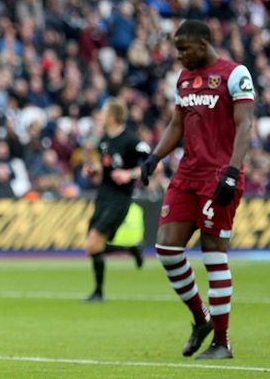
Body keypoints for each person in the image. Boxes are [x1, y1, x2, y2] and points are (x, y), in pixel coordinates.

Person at [141, 19, 255, 359]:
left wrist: (233, 171)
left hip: (219, 175)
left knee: (213, 254)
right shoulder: (184, 79)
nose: (179, 57)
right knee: (166, 249)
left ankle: (222, 342)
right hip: (187, 174)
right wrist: (155, 156)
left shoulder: (235, 74)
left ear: (203, 45)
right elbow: (178, 123)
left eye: (184, 50)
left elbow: (244, 124)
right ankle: (200, 318)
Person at [82, 100, 148, 302]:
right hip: (103, 195)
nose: (100, 116)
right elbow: (106, 167)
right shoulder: (104, 141)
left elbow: (153, 163)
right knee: (92, 245)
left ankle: (99, 292)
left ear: (112, 117)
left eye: (103, 112)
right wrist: (94, 170)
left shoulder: (130, 141)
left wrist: (130, 174)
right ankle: (130, 250)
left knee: (94, 243)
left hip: (120, 198)